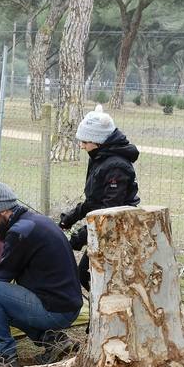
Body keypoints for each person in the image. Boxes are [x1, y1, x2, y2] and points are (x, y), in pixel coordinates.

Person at [0, 182, 83, 367]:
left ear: (3, 211)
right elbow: (16, 261)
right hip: (66, 304)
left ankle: (2, 356)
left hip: (54, 310)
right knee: (1, 305)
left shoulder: (19, 232)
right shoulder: (34, 222)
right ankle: (55, 342)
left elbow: (1, 278)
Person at [57, 104, 140, 289]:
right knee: (85, 275)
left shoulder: (116, 167)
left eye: (85, 142)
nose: (82, 146)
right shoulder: (99, 158)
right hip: (102, 228)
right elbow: (94, 201)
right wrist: (69, 219)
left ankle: (108, 314)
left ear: (99, 141)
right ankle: (99, 313)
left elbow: (110, 213)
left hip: (118, 231)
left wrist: (81, 236)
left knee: (95, 276)